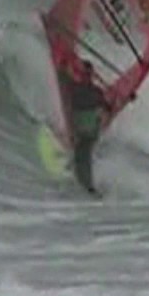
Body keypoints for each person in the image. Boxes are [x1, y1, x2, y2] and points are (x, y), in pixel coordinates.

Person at [63, 59, 134, 196]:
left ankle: (86, 186)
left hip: (86, 130)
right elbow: (108, 107)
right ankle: (86, 186)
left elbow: (108, 108)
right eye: (84, 74)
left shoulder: (83, 90)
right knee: (82, 156)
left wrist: (125, 99)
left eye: (85, 74)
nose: (84, 76)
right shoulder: (93, 90)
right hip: (88, 129)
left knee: (82, 155)